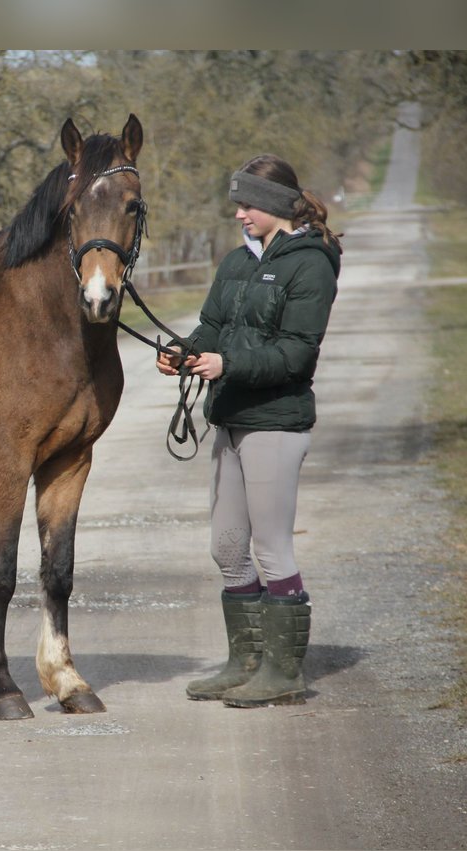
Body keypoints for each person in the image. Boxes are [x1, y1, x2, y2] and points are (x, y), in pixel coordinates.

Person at [157, 154, 342, 707]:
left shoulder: (311, 265)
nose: (239, 213)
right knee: (227, 547)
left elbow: (296, 354)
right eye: (237, 203)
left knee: (271, 548)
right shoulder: (237, 261)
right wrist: (184, 353)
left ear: (279, 205)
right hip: (231, 418)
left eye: (248, 203)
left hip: (276, 424)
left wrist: (227, 365)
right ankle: (245, 663)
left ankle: (284, 673)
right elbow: (212, 326)